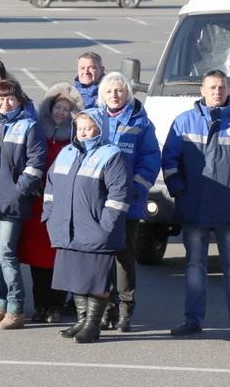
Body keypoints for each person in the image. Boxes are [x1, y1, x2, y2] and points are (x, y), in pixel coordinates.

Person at [43, 108, 131, 344]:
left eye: (88, 128)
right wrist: (49, 216)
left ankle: (93, 324)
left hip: (97, 231)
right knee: (75, 278)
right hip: (67, 229)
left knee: (96, 279)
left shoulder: (112, 155)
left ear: (100, 129)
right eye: (79, 128)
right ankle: (82, 320)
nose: (82, 133)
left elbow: (118, 196)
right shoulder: (66, 153)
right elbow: (50, 187)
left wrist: (106, 227)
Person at [163, 70, 230, 336]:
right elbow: (169, 162)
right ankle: (193, 320)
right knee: (194, 266)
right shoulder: (184, 122)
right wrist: (181, 192)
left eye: (222, 87)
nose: (217, 92)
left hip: (228, 210)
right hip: (195, 207)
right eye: (212, 87)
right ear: (201, 90)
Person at [0, 79, 47, 330]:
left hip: (13, 204)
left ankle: (16, 308)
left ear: (19, 100)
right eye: (0, 98)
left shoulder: (29, 126)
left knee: (7, 254)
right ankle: (0, 305)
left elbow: (36, 165)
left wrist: (18, 192)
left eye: (10, 98)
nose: (5, 103)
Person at [97, 72, 160, 332]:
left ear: (127, 94)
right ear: (103, 94)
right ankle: (104, 309)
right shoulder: (92, 119)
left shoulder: (141, 124)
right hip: (98, 203)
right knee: (101, 258)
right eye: (110, 91)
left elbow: (150, 161)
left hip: (128, 204)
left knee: (123, 258)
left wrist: (131, 189)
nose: (115, 95)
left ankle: (125, 310)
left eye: (120, 91)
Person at [18, 82, 83, 324]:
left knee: (58, 258)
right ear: (49, 108)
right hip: (37, 204)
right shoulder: (38, 132)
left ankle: (55, 305)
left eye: (67, 109)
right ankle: (40, 305)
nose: (61, 112)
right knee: (36, 259)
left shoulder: (75, 138)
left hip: (63, 206)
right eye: (58, 107)